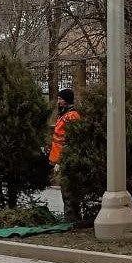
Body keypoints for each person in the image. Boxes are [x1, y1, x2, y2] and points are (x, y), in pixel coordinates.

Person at [49, 88, 81, 221]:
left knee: (68, 190)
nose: (58, 101)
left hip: (65, 158)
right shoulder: (64, 115)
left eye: (61, 99)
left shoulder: (71, 116)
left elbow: (71, 139)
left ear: (66, 100)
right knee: (65, 191)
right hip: (61, 157)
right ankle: (71, 217)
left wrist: (62, 160)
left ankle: (71, 219)